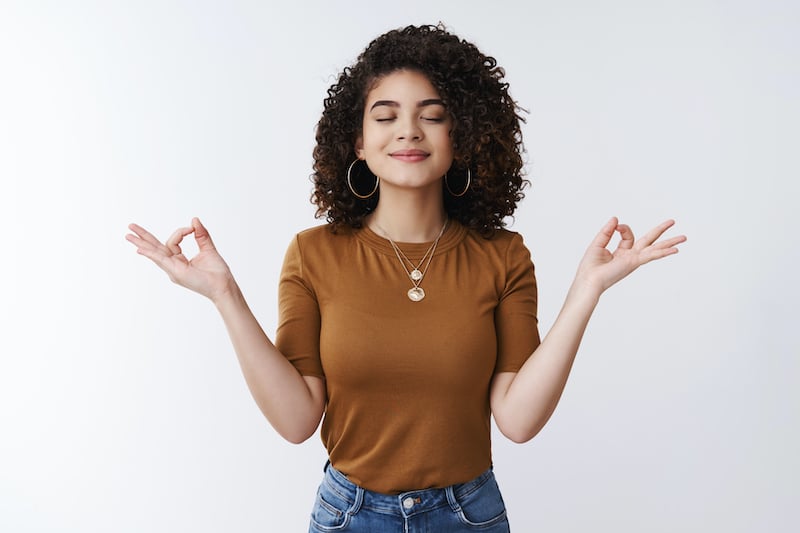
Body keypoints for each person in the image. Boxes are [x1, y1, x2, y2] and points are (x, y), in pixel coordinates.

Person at [126, 24, 685, 533]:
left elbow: (517, 419)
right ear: (358, 141)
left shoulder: (503, 256)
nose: (409, 132)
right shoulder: (313, 254)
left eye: (433, 115)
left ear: (461, 134)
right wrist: (224, 295)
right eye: (386, 116)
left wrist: (586, 292)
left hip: (468, 516)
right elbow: (297, 419)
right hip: (350, 516)